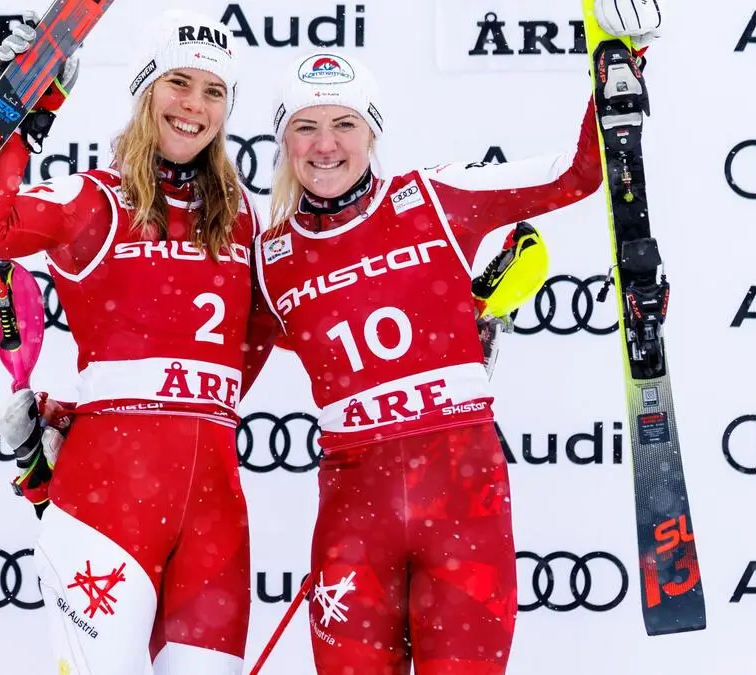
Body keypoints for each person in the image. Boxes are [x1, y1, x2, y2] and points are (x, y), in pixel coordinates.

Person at [251, 3, 661, 673]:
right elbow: (211, 379)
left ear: (371, 131)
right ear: (283, 140)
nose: (325, 145)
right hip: (356, 517)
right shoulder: (270, 258)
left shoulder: (438, 197)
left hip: (462, 503)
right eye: (306, 126)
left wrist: (622, 58)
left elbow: (578, 174)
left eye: (344, 123)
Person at [0, 9, 275, 675]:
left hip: (214, 514)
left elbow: (273, 332)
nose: (194, 105)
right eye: (178, 82)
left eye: (214, 91)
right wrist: (19, 114)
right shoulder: (95, 200)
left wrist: (459, 327)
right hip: (108, 504)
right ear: (145, 88)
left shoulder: (244, 217)